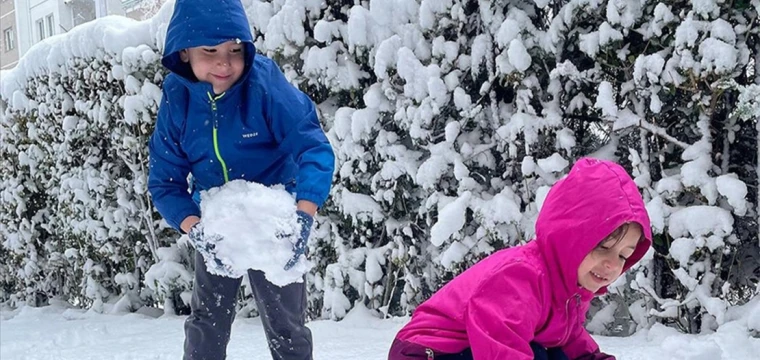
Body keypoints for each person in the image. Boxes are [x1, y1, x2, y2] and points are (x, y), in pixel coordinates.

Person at [147, 0, 335, 359]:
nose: (225, 62)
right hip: (217, 221)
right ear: (184, 52)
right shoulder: (177, 98)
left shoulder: (263, 83)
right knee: (207, 321)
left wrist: (303, 212)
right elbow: (164, 180)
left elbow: (312, 145)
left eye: (235, 50)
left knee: (287, 325)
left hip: (274, 216)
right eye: (210, 51)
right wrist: (195, 227)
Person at [388, 158, 652, 360]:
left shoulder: (568, 289)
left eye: (623, 256)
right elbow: (501, 344)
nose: (612, 265)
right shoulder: (519, 277)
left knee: (552, 351)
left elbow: (569, 339)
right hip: (426, 353)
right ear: (571, 239)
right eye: (602, 248)